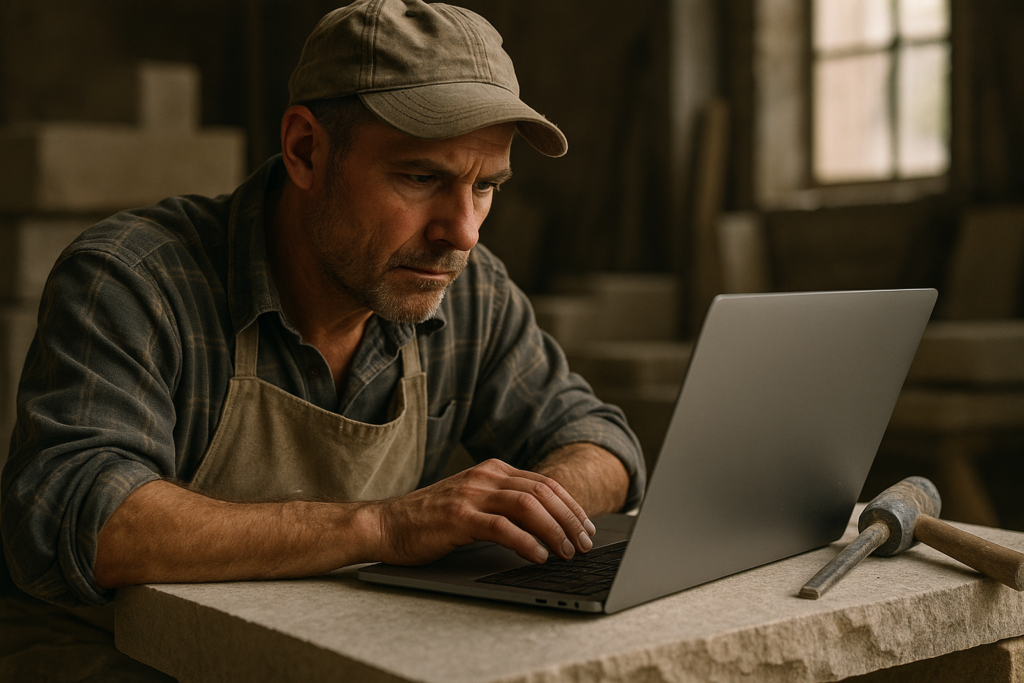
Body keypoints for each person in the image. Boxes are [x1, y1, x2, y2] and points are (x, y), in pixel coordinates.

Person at [2, 0, 645, 629]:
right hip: (116, 657)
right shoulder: (134, 278)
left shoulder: (472, 291)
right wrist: (385, 525)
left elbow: (601, 442)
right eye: (420, 178)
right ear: (306, 149)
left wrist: (534, 505)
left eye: (485, 187)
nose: (463, 232)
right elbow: (77, 511)